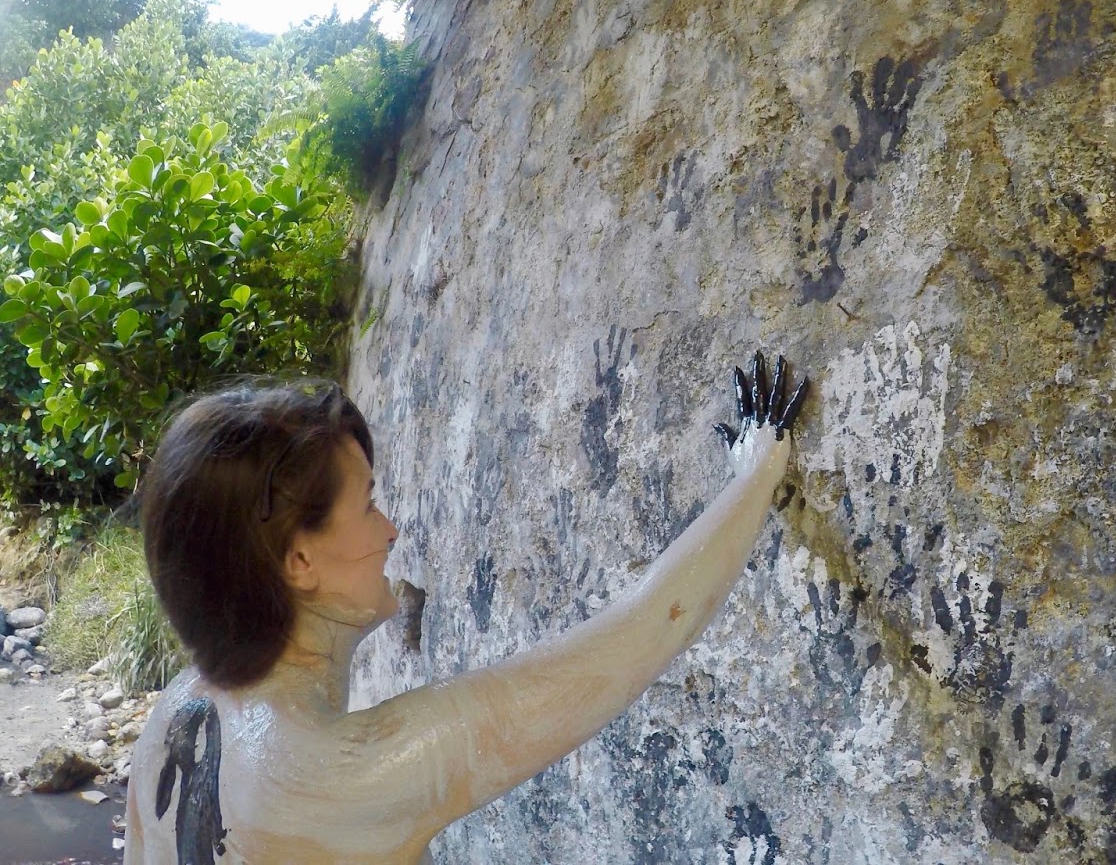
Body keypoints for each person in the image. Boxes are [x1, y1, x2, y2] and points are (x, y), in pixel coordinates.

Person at [123, 354, 807, 863]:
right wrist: (757, 473)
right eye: (366, 505)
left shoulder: (175, 717)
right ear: (298, 563)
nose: (389, 529)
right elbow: (644, 630)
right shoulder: (345, 772)